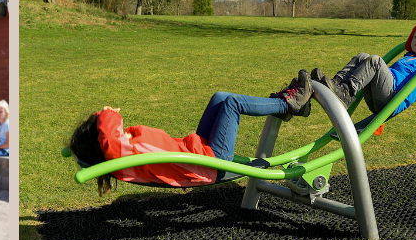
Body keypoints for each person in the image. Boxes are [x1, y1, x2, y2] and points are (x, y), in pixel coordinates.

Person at [67, 71, 316, 196]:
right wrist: (107, 114)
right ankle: (289, 104)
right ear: (100, 140)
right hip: (210, 161)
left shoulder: (123, 153)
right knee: (233, 104)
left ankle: (286, 104)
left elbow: (113, 139)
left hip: (198, 148)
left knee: (220, 98)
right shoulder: (121, 158)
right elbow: (111, 139)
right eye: (100, 128)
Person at [314, 21, 416, 147]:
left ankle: (345, 93)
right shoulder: (411, 57)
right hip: (381, 94)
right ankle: (336, 85)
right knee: (362, 56)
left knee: (375, 61)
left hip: (391, 97)